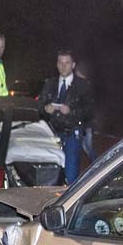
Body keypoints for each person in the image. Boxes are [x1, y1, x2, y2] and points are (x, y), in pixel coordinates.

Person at [38, 49, 92, 184]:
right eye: (61, 62)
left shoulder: (82, 85)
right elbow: (39, 107)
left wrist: (71, 111)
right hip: (52, 135)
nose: (63, 66)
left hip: (72, 133)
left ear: (73, 65)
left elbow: (89, 112)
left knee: (71, 173)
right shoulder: (50, 84)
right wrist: (46, 109)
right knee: (51, 174)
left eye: (67, 62)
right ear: (57, 64)